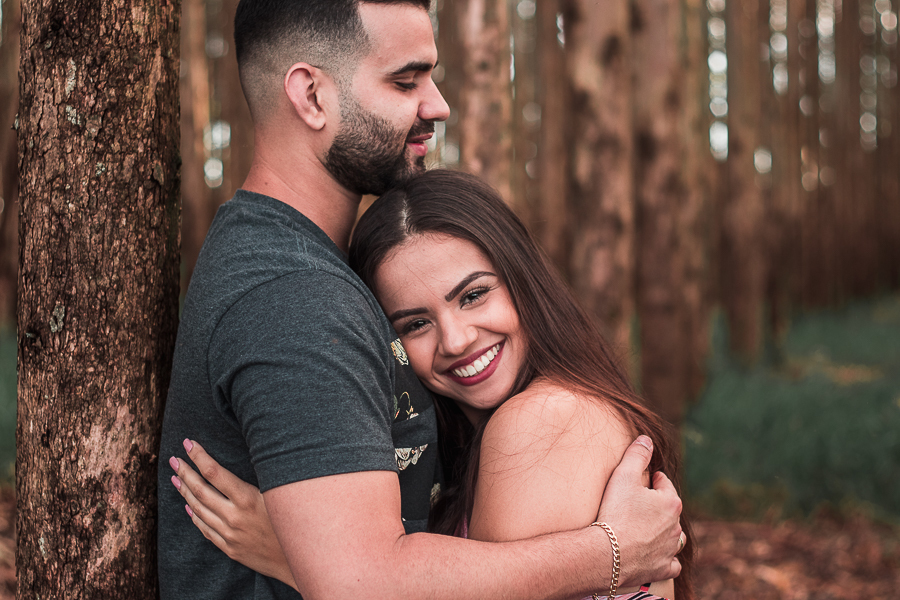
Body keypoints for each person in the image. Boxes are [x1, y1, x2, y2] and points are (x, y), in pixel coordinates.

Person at [158, 0, 685, 598]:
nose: (437, 105)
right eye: (405, 80)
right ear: (310, 97)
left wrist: (301, 558)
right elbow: (361, 583)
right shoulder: (298, 297)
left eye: (474, 294)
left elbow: (356, 576)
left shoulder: (285, 264)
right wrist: (612, 550)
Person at [169, 170, 694, 600]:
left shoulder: (543, 421)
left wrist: (298, 561)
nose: (457, 339)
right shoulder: (503, 428)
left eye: (473, 295)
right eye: (415, 324)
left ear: (521, 278)